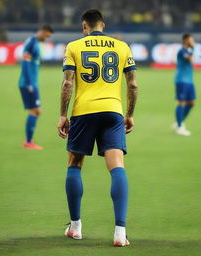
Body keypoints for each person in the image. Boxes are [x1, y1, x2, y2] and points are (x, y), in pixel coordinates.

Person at [57, 9, 138, 247]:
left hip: (83, 111)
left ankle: (75, 227)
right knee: (117, 168)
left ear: (85, 26)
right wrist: (130, 114)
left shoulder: (73, 46)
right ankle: (120, 233)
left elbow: (67, 82)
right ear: (103, 25)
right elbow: (132, 84)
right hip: (113, 112)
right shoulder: (121, 47)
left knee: (74, 165)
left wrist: (63, 114)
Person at [18, 24, 54, 150]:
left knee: (36, 111)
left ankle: (28, 141)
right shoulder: (32, 42)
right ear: (43, 32)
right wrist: (29, 84)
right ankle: (28, 142)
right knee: (36, 111)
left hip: (32, 83)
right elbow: (25, 64)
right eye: (47, 36)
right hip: (28, 84)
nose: (47, 38)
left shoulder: (36, 42)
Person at [172, 33, 196, 136]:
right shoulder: (182, 51)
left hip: (189, 81)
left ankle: (179, 122)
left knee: (192, 103)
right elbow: (191, 59)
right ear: (186, 40)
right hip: (181, 80)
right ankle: (179, 126)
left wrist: (192, 49)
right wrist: (193, 48)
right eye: (191, 39)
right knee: (181, 102)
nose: (192, 41)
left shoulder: (188, 51)